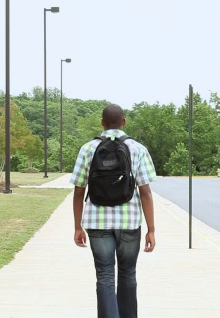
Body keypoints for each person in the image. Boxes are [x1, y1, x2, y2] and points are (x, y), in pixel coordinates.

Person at [70, 103, 156, 318]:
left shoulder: (88, 149)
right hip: (129, 222)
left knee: (105, 276)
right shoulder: (138, 149)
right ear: (124, 122)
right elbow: (145, 192)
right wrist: (151, 229)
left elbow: (79, 192)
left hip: (96, 222)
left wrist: (77, 226)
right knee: (128, 274)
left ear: (102, 123)